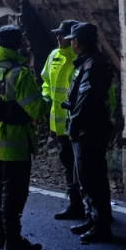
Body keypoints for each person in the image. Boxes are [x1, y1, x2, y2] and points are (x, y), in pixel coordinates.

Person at [0, 25, 46, 250]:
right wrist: (48, 98)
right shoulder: (19, 73)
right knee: (14, 193)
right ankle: (13, 241)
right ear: (18, 44)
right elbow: (37, 109)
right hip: (14, 143)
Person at [62, 22, 115, 243]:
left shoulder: (92, 66)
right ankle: (94, 219)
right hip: (90, 127)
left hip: (89, 129)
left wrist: (74, 125)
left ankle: (101, 225)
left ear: (77, 42)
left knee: (91, 176)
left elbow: (85, 100)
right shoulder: (89, 63)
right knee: (89, 176)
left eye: (73, 40)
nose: (71, 44)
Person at [41, 20, 86, 221]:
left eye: (62, 35)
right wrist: (44, 101)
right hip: (59, 125)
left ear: (73, 39)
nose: (58, 38)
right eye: (58, 34)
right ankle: (75, 205)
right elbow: (46, 83)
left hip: (80, 125)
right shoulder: (53, 56)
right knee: (69, 166)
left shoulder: (82, 60)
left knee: (86, 168)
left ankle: (95, 210)